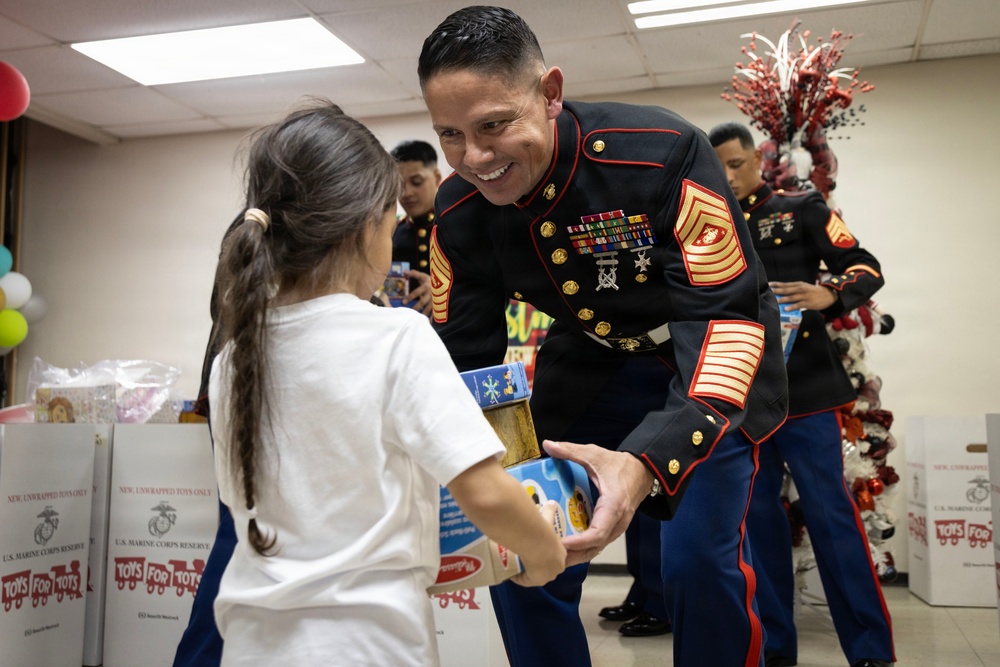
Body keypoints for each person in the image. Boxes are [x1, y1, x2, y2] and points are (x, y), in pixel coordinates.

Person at [418, 7, 789, 666]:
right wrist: (475, 478)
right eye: (450, 134)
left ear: (550, 93)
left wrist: (648, 462)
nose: (474, 158)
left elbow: (727, 319)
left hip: (702, 365)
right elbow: (463, 362)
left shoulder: (660, 152)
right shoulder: (457, 213)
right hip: (588, 369)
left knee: (699, 564)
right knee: (522, 556)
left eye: (494, 125)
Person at [205, 100, 566, 665]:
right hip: (370, 644)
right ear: (365, 223)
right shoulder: (398, 336)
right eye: (392, 213)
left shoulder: (234, 357)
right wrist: (544, 554)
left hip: (252, 643)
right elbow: (486, 493)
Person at [709, 121, 894, 667]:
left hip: (808, 392)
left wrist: (829, 294)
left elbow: (865, 266)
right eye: (716, 166)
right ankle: (774, 652)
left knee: (832, 517)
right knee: (759, 529)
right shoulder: (709, 227)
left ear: (756, 161)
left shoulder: (800, 209)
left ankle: (869, 651)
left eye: (735, 164)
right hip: (743, 400)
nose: (726, 175)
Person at [388, 140, 440, 315]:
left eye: (416, 182)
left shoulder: (460, 228)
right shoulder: (394, 234)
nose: (406, 193)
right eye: (400, 185)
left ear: (437, 177)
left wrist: (445, 292)